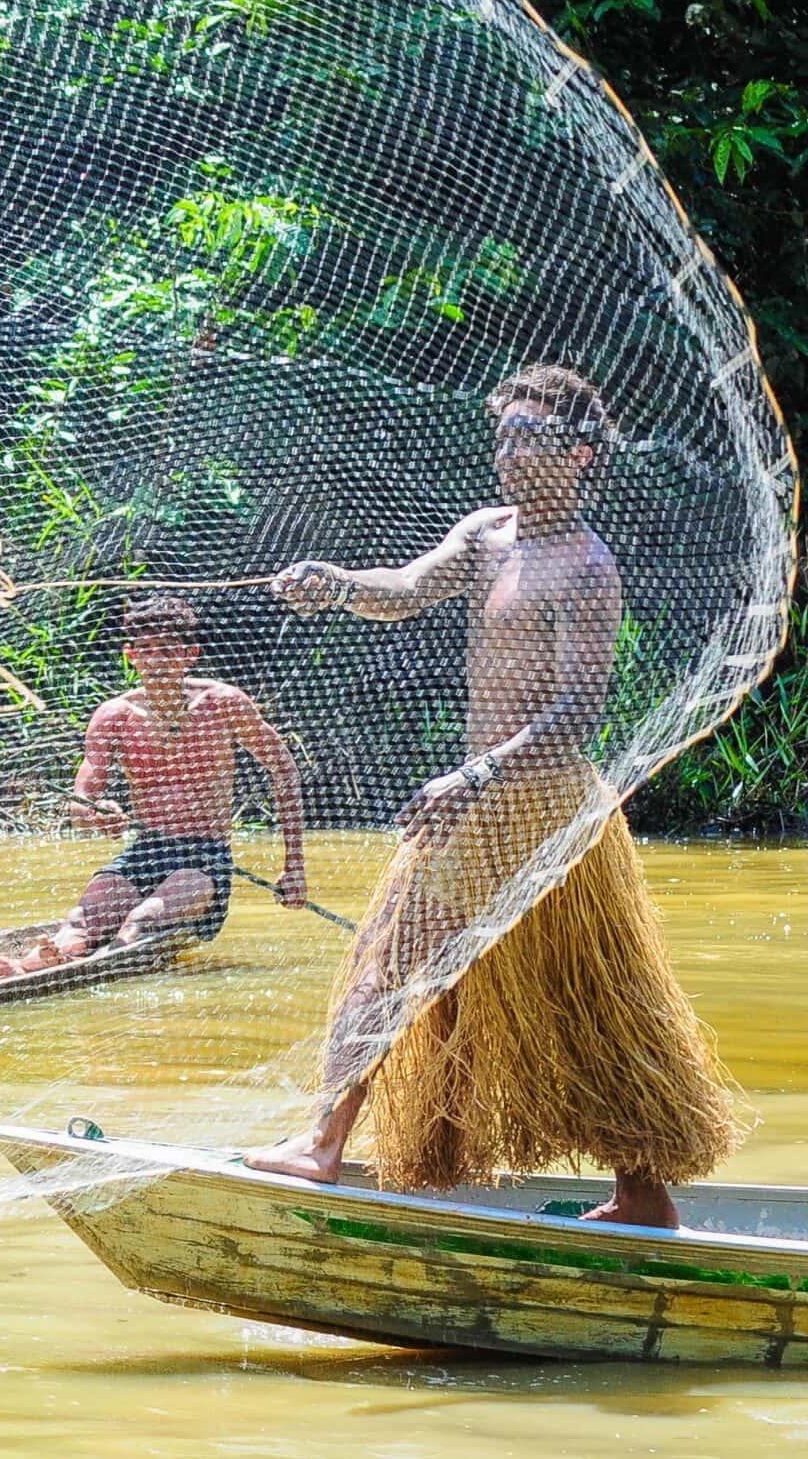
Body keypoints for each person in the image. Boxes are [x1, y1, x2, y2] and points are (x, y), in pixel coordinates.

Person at [245, 365, 739, 1228]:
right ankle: (322, 1143)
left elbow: (578, 709)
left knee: (589, 1003)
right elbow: (407, 589)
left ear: (582, 455)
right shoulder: (488, 535)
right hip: (473, 810)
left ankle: (641, 1193)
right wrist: (338, 583)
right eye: (502, 435)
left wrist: (475, 774)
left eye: (529, 438)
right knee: (387, 968)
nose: (509, 453)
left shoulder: (587, 566)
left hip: (544, 814)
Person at [0, 595, 307, 982]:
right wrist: (98, 814)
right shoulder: (115, 716)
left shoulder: (223, 705)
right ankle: (21, 968)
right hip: (145, 849)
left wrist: (293, 867)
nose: (157, 662)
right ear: (131, 655)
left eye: (167, 651)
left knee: (139, 924)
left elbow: (284, 770)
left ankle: (78, 966)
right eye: (146, 651)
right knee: (79, 922)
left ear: (189, 654)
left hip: (204, 858)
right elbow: (81, 804)